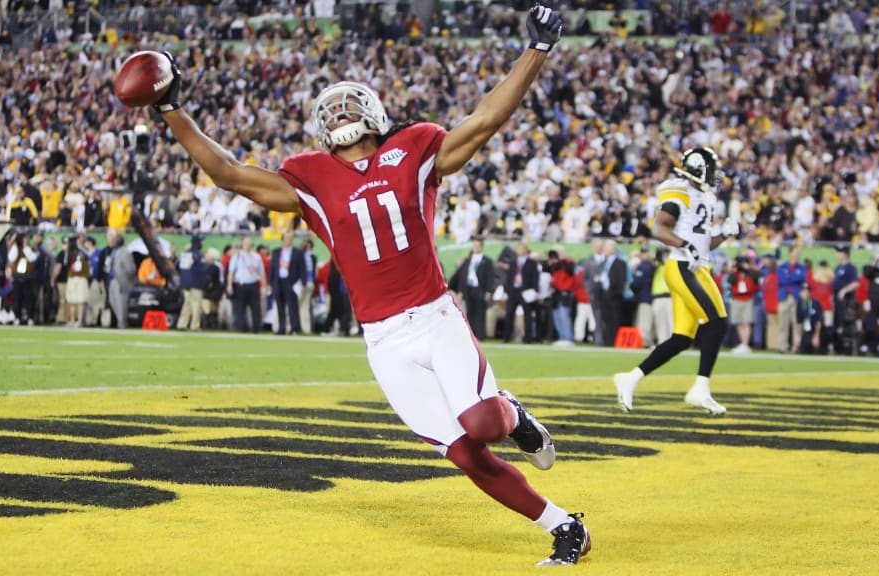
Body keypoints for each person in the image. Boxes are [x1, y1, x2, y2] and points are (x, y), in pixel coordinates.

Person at [154, 5, 589, 565]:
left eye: (348, 102)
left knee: (483, 422)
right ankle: (564, 526)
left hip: (434, 316)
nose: (339, 111)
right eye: (329, 107)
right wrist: (171, 108)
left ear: (376, 112)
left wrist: (538, 50)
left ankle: (515, 414)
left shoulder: (413, 148)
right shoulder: (308, 177)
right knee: (464, 452)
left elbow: (483, 121)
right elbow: (230, 174)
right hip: (384, 340)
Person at [612, 147, 740, 415]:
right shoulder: (678, 190)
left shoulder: (704, 195)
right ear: (698, 168)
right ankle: (700, 389)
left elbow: (703, 245)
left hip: (696, 266)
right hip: (682, 266)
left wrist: (724, 234)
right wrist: (687, 247)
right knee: (717, 321)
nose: (715, 175)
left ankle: (630, 378)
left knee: (682, 338)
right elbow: (659, 228)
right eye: (711, 169)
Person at [448, 236, 495, 340]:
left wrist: (488, 292)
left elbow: (490, 277)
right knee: (470, 312)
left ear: (481, 247)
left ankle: (480, 335)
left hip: (480, 289)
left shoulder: (487, 261)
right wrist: (459, 290)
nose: (475, 247)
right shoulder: (468, 260)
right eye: (474, 245)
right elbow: (462, 275)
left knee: (480, 312)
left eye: (478, 246)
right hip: (468, 289)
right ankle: (471, 335)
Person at [270, 228, 304, 335]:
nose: (289, 240)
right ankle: (281, 327)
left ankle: (295, 328)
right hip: (279, 281)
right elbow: (272, 268)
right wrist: (271, 282)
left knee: (292, 306)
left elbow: (301, 269)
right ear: (283, 238)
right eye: (287, 237)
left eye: (290, 238)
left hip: (291, 282)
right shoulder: (276, 252)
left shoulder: (297, 252)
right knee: (280, 306)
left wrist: (303, 282)